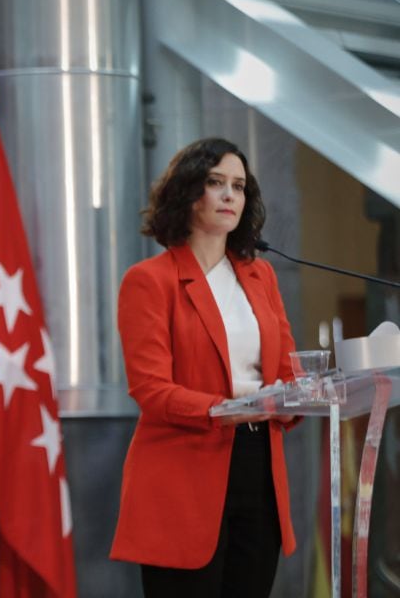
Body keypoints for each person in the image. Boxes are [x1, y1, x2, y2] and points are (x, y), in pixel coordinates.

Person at [109, 137, 299, 598]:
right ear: (188, 191)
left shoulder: (261, 276)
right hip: (184, 471)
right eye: (216, 183)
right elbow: (151, 390)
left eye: (239, 185)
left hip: (259, 467)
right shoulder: (150, 281)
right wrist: (229, 409)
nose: (230, 195)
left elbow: (288, 370)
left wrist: (302, 397)